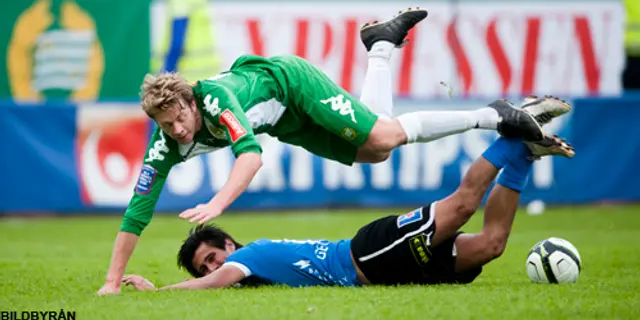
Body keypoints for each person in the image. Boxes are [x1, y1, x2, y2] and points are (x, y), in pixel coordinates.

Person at [98, 7, 571, 294]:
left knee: (384, 137)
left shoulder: (215, 99)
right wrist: (113, 282)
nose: (178, 129)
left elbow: (250, 156)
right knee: (377, 151)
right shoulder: (166, 142)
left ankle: (497, 116)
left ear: (189, 98)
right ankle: (381, 46)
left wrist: (216, 205)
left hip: (290, 84)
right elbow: (137, 211)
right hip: (283, 120)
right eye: (166, 124)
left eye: (180, 116)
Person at [121, 129, 575, 291]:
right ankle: (524, 156)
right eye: (206, 268)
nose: (213, 268)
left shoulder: (245, 257)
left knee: (458, 209)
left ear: (226, 243)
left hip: (369, 253)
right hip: (391, 271)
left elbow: (220, 280)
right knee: (493, 245)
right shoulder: (253, 272)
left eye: (211, 258)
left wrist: (156, 292)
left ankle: (508, 135)